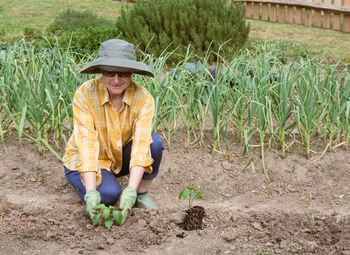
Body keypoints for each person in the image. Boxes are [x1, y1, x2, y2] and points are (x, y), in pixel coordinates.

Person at [62, 39, 163, 224]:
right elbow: (86, 145)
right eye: (109, 73)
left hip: (116, 156)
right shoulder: (85, 94)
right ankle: (87, 187)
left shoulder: (143, 98)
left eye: (123, 73)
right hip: (86, 159)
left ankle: (140, 195)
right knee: (108, 196)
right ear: (101, 71)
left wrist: (131, 190)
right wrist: (92, 192)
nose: (116, 80)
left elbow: (141, 146)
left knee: (154, 143)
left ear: (132, 72)